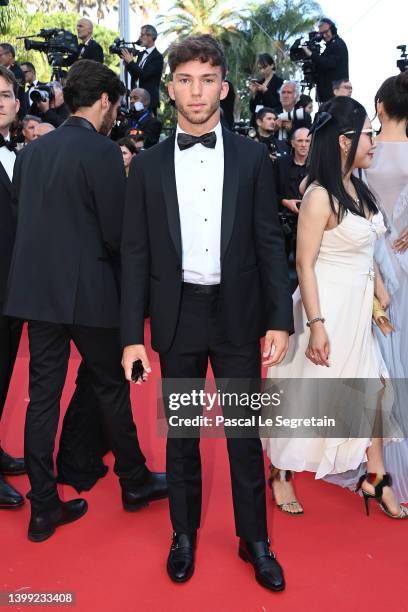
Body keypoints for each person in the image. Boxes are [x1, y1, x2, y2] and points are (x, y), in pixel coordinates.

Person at [121, 34, 293, 591]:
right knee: (183, 437)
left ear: (224, 85)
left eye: (208, 79)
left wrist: (279, 318)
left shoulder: (250, 157)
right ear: (170, 88)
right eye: (186, 80)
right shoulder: (146, 166)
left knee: (245, 435)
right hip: (178, 318)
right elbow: (136, 256)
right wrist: (131, 336)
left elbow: (270, 242)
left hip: (240, 315)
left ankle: (255, 539)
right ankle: (184, 535)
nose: (197, 92)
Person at [4, 60, 167, 542]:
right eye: (115, 105)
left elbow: (23, 225)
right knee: (112, 387)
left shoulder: (32, 153)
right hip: (93, 295)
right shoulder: (101, 152)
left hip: (38, 296)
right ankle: (134, 482)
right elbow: (118, 234)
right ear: (103, 102)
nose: (115, 113)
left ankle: (42, 506)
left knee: (42, 400)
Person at [263, 96, 408, 520]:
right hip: (323, 307)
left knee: (375, 390)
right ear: (345, 141)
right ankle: (281, 471)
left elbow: (367, 251)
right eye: (368, 134)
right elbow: (303, 263)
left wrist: (380, 299)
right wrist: (317, 324)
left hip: (358, 309)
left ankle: (376, 477)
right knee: (305, 395)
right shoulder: (320, 195)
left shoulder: (358, 189)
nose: (375, 142)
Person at [364, 72, 408, 504]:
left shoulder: (366, 151)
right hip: (404, 263)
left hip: (368, 262)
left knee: (374, 358)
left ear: (379, 106)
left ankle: (374, 456)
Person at [0, 66, 25, 510]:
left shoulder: (20, 156)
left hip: (12, 289)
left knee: (3, 373)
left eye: (5, 94)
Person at [277, 127, 311, 260]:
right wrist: (285, 202)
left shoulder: (317, 165)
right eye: (300, 140)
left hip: (310, 222)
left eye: (307, 141)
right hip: (284, 221)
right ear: (292, 143)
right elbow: (269, 191)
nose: (303, 144)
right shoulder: (281, 164)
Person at [302, 18, 349, 103]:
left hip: (336, 97)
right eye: (321, 33)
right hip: (328, 98)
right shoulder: (330, 46)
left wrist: (311, 54)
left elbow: (327, 63)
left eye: (326, 32)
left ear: (333, 30)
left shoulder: (338, 44)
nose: (324, 36)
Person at [121, 25, 163, 114]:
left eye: (142, 35)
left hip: (149, 101)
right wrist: (128, 64)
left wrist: (131, 62)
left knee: (147, 126)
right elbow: (136, 74)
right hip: (135, 99)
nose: (140, 37)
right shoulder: (141, 54)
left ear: (150, 37)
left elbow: (144, 75)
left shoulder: (158, 57)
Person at [249, 53, 283, 124]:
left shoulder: (280, 82)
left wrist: (266, 91)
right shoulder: (259, 83)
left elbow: (279, 106)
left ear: (272, 65)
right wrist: (253, 94)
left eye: (264, 67)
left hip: (272, 121)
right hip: (257, 122)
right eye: (260, 68)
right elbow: (252, 109)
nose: (262, 71)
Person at [0, 43, 27, 118]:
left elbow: (16, 94)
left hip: (16, 116)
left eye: (0, 55)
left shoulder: (17, 72)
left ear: (10, 56)